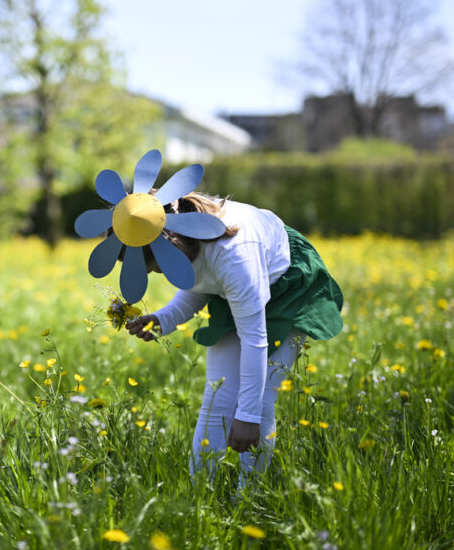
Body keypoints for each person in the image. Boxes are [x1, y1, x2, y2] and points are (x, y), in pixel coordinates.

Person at [125, 191, 343, 479]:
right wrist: (163, 319)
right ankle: (200, 497)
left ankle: (249, 501)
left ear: (169, 244)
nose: (151, 272)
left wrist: (248, 417)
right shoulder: (185, 239)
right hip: (241, 289)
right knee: (217, 398)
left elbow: (254, 339)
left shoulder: (233, 254)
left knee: (260, 401)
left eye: (151, 265)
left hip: (288, 288)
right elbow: (201, 281)